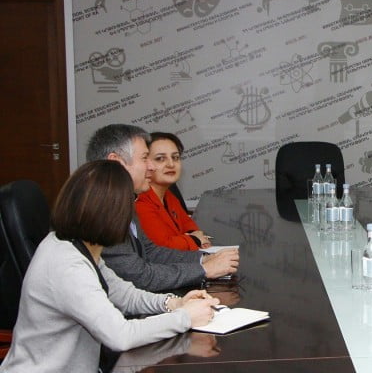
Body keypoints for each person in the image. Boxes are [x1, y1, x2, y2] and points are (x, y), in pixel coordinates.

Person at [0, 160, 220, 373]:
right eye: (130, 201)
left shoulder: (78, 245)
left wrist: (174, 303)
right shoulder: (67, 265)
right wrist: (185, 318)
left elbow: (123, 295)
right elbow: (120, 336)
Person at [87, 124, 238, 292]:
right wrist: (204, 270)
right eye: (145, 158)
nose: (151, 167)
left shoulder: (124, 201)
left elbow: (151, 252)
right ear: (116, 162)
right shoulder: (101, 212)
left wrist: (204, 258)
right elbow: (140, 276)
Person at [136, 132, 209, 251]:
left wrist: (195, 234)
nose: (171, 164)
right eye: (160, 159)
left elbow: (187, 223)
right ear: (145, 163)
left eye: (175, 157)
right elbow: (162, 247)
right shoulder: (140, 202)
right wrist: (195, 240)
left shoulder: (168, 195)